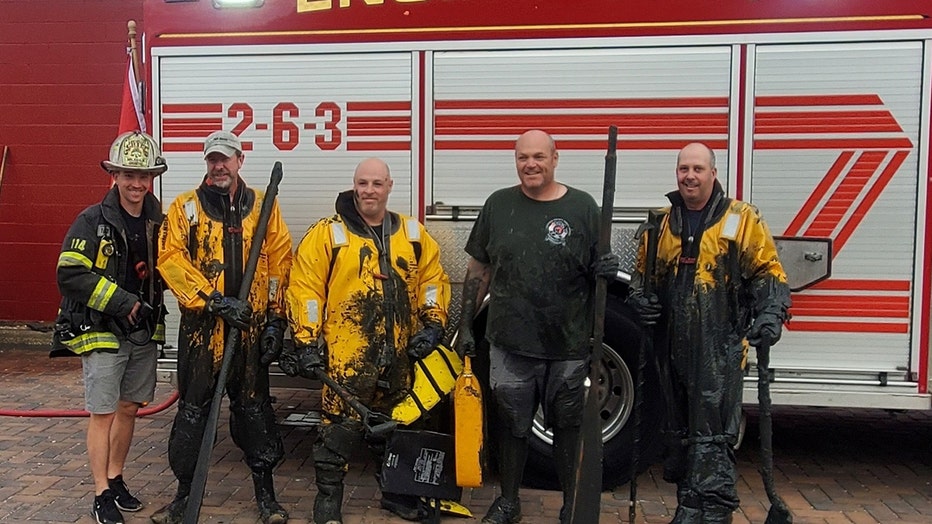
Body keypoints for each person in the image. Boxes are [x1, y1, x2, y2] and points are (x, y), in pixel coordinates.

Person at [455, 129, 619, 524]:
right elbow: (479, 270)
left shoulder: (582, 207)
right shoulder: (498, 205)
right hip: (510, 341)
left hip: (567, 343)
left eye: (539, 157)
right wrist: (462, 326)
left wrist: (607, 269)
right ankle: (509, 502)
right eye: (523, 157)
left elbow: (601, 266)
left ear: (555, 158)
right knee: (511, 426)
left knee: (566, 426)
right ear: (516, 160)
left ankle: (570, 506)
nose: (531, 164)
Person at [628, 142, 791, 523]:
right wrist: (641, 300)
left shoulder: (742, 218)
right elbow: (642, 279)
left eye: (698, 168)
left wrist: (771, 314)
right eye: (683, 168)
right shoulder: (662, 223)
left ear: (713, 174)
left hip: (721, 348)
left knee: (713, 432)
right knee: (680, 430)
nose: (690, 175)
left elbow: (769, 273)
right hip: (671, 346)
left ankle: (714, 511)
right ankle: (689, 506)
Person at [281, 157, 451, 523]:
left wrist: (432, 324)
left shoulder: (414, 235)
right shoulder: (328, 234)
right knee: (337, 432)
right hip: (347, 360)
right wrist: (307, 342)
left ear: (390, 186)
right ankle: (327, 504)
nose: (369, 190)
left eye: (376, 183)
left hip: (400, 355)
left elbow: (433, 281)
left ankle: (397, 494)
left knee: (399, 427)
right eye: (362, 183)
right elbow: (305, 290)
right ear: (354, 186)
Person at [152, 130, 293, 524]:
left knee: (255, 411)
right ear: (206, 163)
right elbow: (170, 259)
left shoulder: (264, 206)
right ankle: (184, 496)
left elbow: (282, 263)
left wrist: (275, 322)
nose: (219, 166)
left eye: (225, 159)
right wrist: (213, 300)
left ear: (240, 161)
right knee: (193, 414)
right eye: (212, 159)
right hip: (203, 331)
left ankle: (266, 497)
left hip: (249, 330)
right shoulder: (185, 208)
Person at [52, 131, 168, 524]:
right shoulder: (92, 219)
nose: (137, 184)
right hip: (101, 330)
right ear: (114, 175)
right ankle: (101, 493)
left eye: (144, 176)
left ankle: (116, 478)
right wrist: (123, 302)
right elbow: (69, 274)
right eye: (128, 175)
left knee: (129, 408)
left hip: (142, 332)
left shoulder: (158, 219)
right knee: (102, 412)